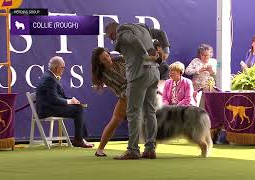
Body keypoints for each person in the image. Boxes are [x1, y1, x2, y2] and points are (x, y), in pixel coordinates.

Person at [105, 22, 170, 160]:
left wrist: (146, 56)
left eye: (111, 38)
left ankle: (133, 150)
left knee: (133, 112)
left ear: (112, 33)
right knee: (150, 112)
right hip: (154, 74)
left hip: (138, 74)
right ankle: (150, 149)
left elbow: (133, 40)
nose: (113, 40)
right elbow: (161, 34)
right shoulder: (143, 28)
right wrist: (166, 51)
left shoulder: (121, 31)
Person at [36, 56, 93, 148]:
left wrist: (71, 100)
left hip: (50, 107)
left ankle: (80, 138)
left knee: (78, 107)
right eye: (63, 67)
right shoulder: (49, 79)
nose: (63, 70)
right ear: (57, 68)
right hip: (47, 110)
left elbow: (57, 97)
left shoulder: (49, 76)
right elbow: (53, 99)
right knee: (79, 109)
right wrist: (70, 101)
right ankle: (79, 140)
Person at [91, 47, 128, 157]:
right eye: (103, 59)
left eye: (107, 55)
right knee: (116, 120)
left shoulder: (119, 59)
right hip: (125, 95)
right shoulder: (105, 75)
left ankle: (146, 148)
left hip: (137, 90)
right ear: (99, 62)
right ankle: (100, 149)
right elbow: (122, 86)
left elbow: (133, 59)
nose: (107, 59)